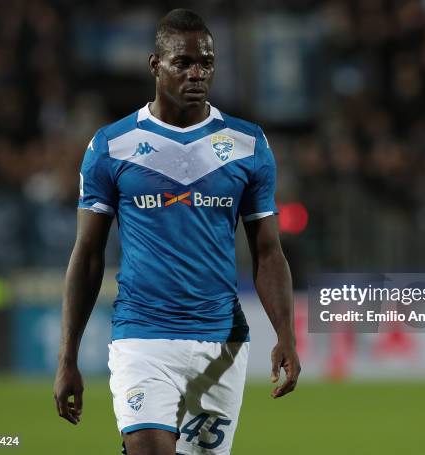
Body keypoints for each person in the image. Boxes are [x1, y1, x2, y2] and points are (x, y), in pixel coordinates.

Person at [53, 8, 300, 455]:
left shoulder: (248, 145)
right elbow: (87, 255)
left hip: (222, 343)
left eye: (205, 63)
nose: (196, 74)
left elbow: (268, 253)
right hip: (142, 336)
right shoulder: (112, 145)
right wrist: (67, 356)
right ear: (155, 65)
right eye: (182, 63)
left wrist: (286, 334)